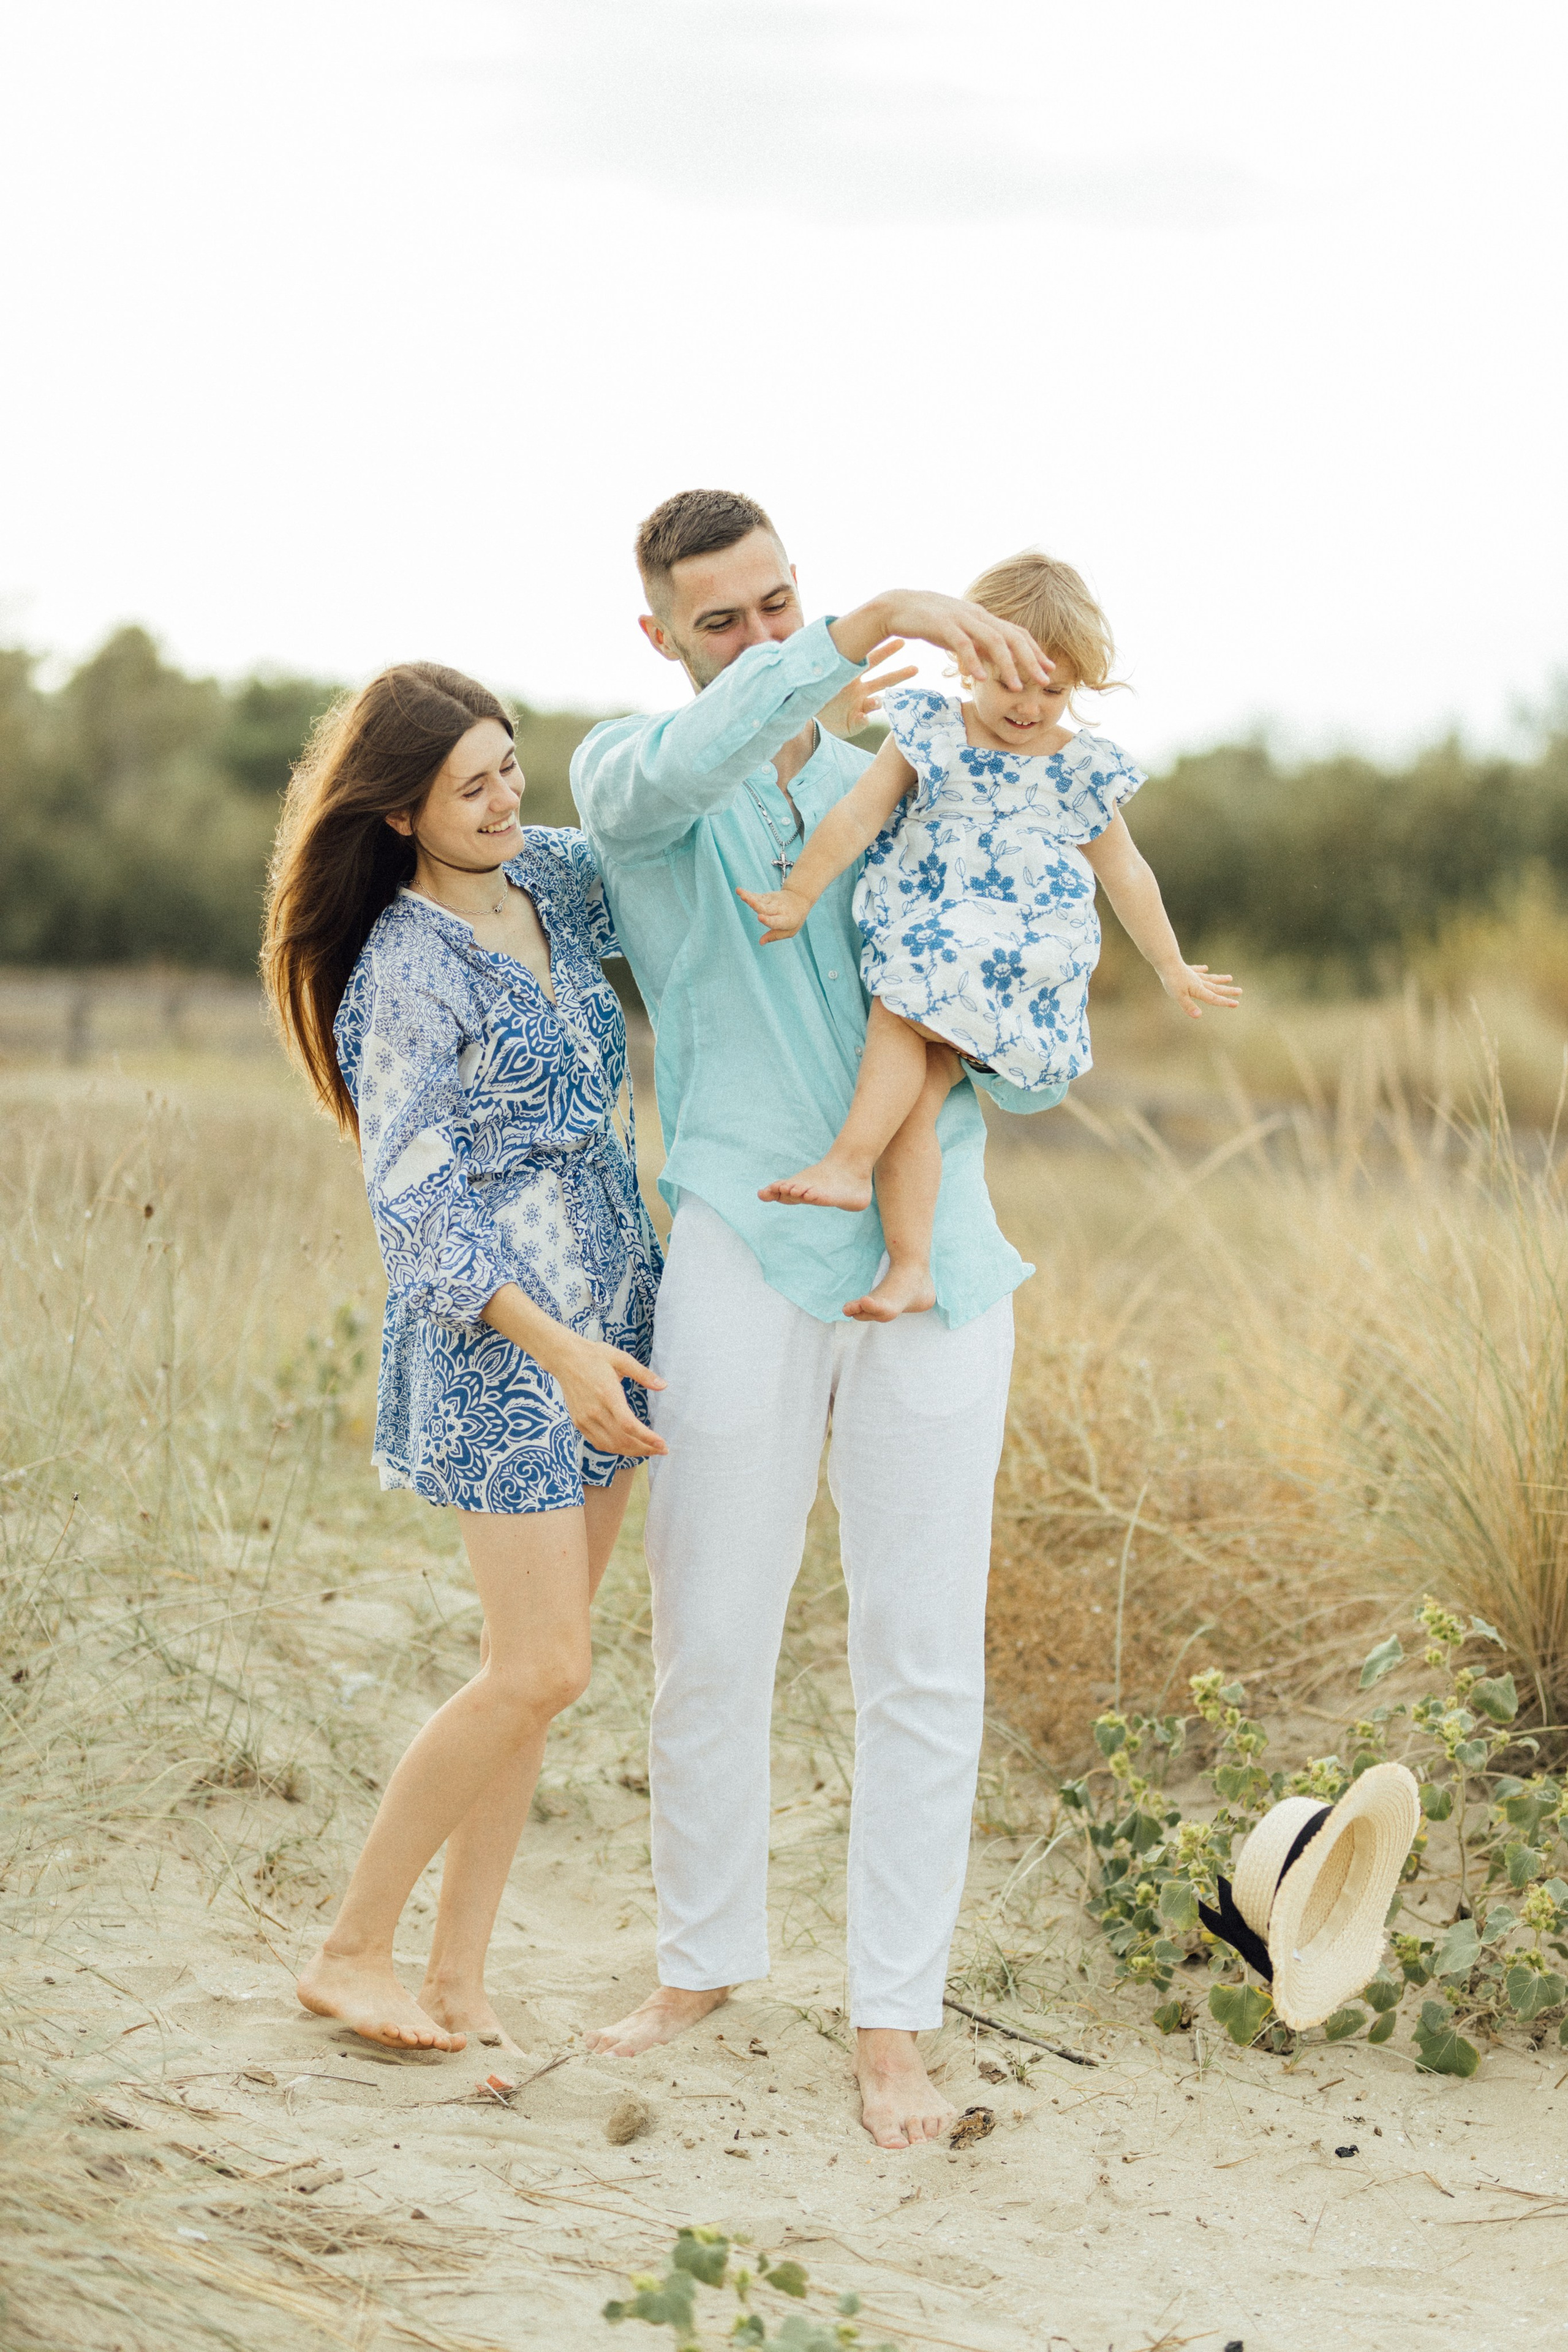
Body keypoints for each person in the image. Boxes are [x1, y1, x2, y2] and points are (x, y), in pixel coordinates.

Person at [570, 489, 1053, 2149]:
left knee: (924, 1660)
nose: (767, 637)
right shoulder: (635, 789)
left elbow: (1017, 991)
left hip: (942, 1267)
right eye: (727, 620)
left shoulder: (904, 776)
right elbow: (692, 759)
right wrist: (867, 625)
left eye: (787, 603)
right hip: (741, 1249)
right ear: (662, 639)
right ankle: (701, 1962)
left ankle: (893, 2027)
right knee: (713, 1628)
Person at [262, 663, 663, 2054]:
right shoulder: (401, 973)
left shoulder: (551, 876)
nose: (505, 800)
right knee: (536, 1663)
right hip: (509, 1340)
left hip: (615, 1306)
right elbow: (415, 1209)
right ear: (395, 813)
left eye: (510, 767)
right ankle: (347, 1946)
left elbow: (666, 840)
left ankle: (456, 1975)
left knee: (543, 1671)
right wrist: (561, 1353)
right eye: (469, 785)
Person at [740, 550, 1242, 1317]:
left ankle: (847, 1161)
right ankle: (912, 1267)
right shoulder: (928, 731)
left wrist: (1170, 964)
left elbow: (1127, 873)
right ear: (966, 658)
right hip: (936, 942)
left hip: (1021, 952)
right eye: (1013, 678)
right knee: (917, 1089)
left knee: (898, 1010)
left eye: (1055, 687)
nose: (1031, 703)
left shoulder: (1078, 767)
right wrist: (800, 893)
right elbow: (858, 816)